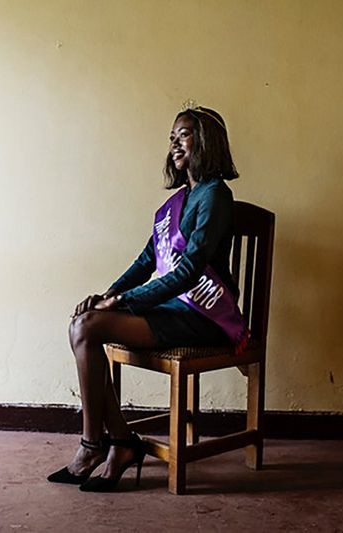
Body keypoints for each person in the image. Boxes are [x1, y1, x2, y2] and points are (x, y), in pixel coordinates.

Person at [47, 105, 246, 492]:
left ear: (206, 141)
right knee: (83, 324)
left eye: (184, 134)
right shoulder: (174, 205)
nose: (174, 142)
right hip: (171, 309)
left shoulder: (216, 195)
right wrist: (107, 296)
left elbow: (189, 271)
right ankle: (115, 443)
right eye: (172, 135)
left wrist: (125, 303)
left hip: (202, 316)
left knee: (87, 328)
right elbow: (146, 261)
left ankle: (98, 446)